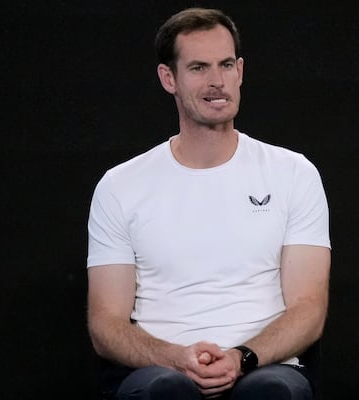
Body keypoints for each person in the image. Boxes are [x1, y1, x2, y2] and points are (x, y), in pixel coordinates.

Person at [85, 7, 331, 400]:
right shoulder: (120, 186)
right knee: (166, 391)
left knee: (270, 392)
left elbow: (308, 309)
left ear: (241, 71)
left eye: (226, 64)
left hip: (263, 367)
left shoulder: (293, 173)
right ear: (169, 78)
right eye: (199, 67)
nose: (217, 81)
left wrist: (242, 357)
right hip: (161, 371)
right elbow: (106, 324)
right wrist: (174, 358)